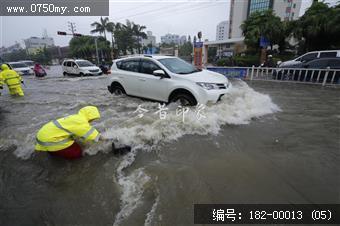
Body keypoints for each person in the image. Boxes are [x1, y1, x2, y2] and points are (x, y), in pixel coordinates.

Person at [35, 106, 101, 159]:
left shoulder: (75, 117)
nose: (93, 120)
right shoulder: (81, 122)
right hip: (51, 140)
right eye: (93, 118)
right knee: (78, 153)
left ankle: (53, 152)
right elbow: (93, 135)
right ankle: (57, 153)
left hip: (42, 136)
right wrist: (106, 139)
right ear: (90, 116)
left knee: (74, 142)